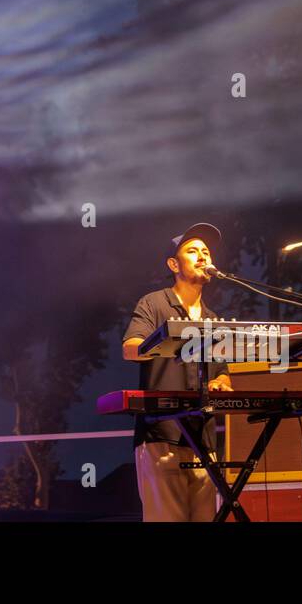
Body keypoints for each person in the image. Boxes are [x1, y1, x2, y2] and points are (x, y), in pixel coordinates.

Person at [121, 222, 233, 521]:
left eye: (206, 252)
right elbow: (130, 348)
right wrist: (171, 341)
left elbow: (221, 372)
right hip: (162, 434)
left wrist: (221, 382)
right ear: (173, 264)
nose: (202, 257)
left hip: (203, 438)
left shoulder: (212, 319)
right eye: (192, 251)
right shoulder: (155, 303)